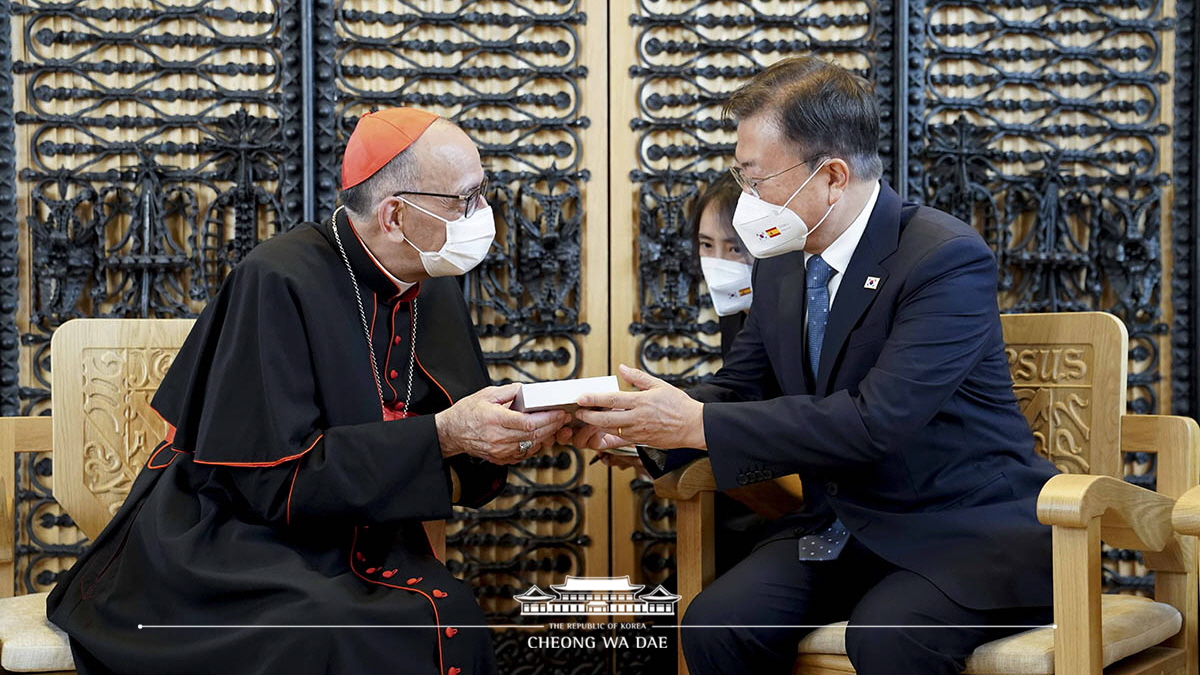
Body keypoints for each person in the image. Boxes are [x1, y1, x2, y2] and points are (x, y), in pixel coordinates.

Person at [563, 56, 1058, 675]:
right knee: (716, 625)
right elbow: (739, 389)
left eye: (755, 178)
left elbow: (877, 421)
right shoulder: (781, 263)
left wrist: (692, 425)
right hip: (843, 525)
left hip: (961, 529)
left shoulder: (944, 258)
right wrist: (640, 426)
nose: (745, 199)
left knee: (886, 637)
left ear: (831, 175)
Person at [47, 107, 571, 675]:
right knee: (327, 629)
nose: (483, 215)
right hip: (233, 536)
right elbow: (266, 479)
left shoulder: (430, 278)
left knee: (451, 615)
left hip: (362, 531)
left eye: (482, 193)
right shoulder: (277, 277)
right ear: (396, 215)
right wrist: (443, 436)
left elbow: (450, 437)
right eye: (465, 200)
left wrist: (505, 436)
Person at [602, 172, 774, 576]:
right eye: (706, 245)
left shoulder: (786, 309)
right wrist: (645, 440)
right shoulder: (734, 317)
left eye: (735, 247)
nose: (719, 261)